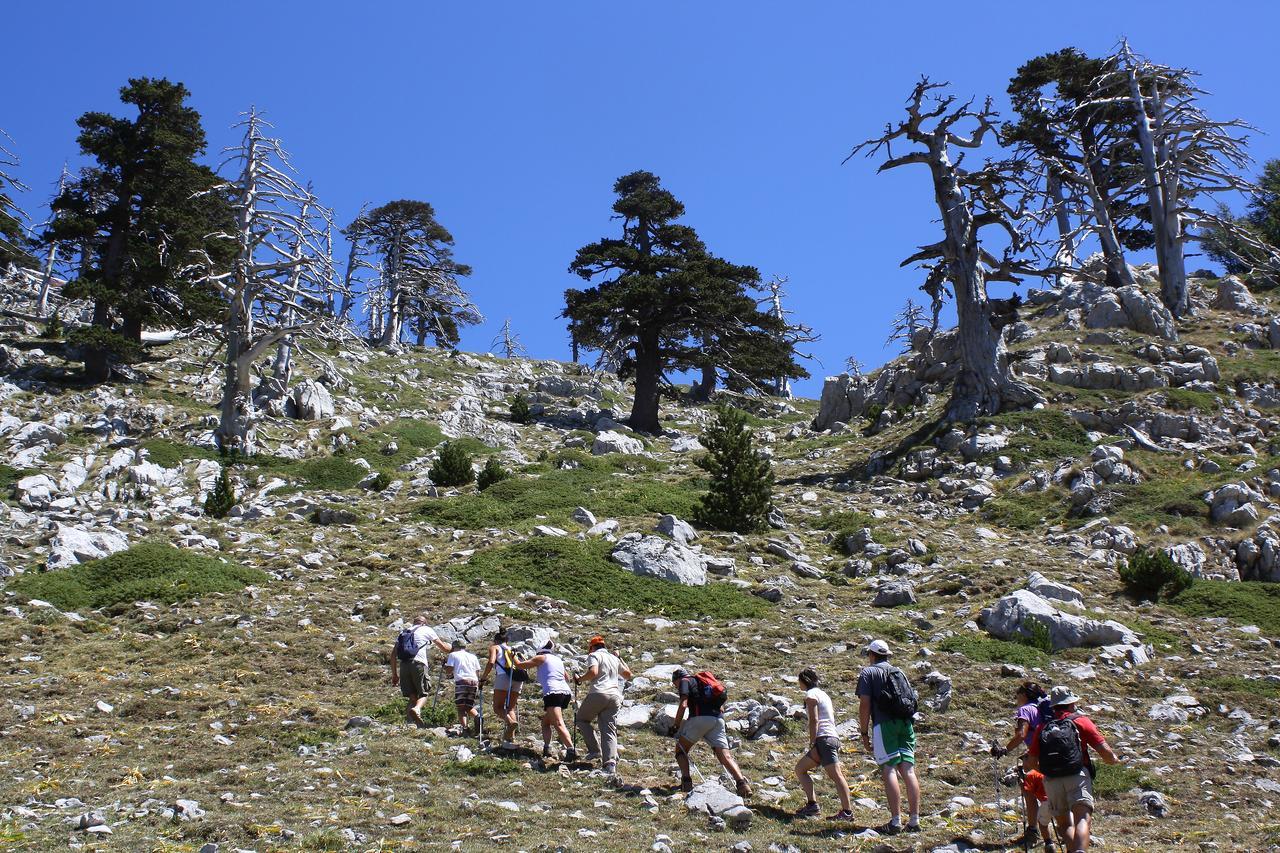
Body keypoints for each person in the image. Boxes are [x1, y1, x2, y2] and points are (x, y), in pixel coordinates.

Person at [1027, 686, 1120, 853]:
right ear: (1071, 704)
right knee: (1082, 819)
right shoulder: (1081, 721)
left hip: (1052, 780)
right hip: (1077, 776)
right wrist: (1113, 760)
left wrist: (1048, 771)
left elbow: (1032, 762)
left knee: (1064, 824)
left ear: (1054, 707)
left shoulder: (1043, 727)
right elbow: (1105, 752)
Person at [856, 639, 921, 835]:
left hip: (884, 725)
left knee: (889, 769)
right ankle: (914, 820)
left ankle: (895, 821)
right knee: (908, 770)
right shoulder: (898, 672)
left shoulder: (868, 672)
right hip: (906, 723)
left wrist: (864, 732)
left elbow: (865, 704)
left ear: (871, 655)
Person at [670, 668, 752, 799]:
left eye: (675, 684)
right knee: (726, 756)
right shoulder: (704, 683)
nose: (676, 687)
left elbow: (684, 704)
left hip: (699, 718)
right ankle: (742, 784)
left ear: (677, 679)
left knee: (680, 749)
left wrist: (675, 725)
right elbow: (721, 706)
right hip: (718, 720)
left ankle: (686, 783)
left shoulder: (685, 681)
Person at [991, 682, 1049, 848]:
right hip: (1050, 754)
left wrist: (1005, 749)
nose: (1016, 696)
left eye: (1018, 693)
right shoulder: (1041, 710)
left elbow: (1022, 734)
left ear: (1025, 695)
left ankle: (1033, 831)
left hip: (1039, 757)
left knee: (1027, 786)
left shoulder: (1025, 710)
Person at [793, 667, 852, 820]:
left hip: (823, 739)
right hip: (831, 738)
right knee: (800, 769)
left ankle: (847, 812)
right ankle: (812, 805)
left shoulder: (811, 696)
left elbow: (814, 720)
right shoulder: (823, 694)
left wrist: (812, 742)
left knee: (837, 776)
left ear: (803, 681)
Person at [572, 635, 631, 776]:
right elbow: (628, 674)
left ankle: (595, 750)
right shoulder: (614, 658)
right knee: (608, 728)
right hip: (615, 696)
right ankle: (610, 764)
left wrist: (579, 679)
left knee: (581, 719)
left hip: (599, 693)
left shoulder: (594, 655)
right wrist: (619, 657)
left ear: (592, 647)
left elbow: (593, 672)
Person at [515, 639, 576, 761]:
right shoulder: (557, 659)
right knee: (546, 722)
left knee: (558, 722)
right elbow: (567, 677)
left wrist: (513, 656)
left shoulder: (542, 658)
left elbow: (520, 665)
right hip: (565, 692)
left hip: (552, 692)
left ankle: (570, 749)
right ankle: (547, 747)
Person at [389, 614, 452, 727]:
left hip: (404, 665)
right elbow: (443, 647)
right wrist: (452, 649)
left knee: (412, 695)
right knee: (424, 693)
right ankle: (417, 709)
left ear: (414, 622)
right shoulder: (426, 629)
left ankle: (413, 724)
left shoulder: (404, 632)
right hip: (418, 664)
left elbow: (393, 654)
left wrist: (394, 674)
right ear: (424, 623)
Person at [480, 629, 525, 749]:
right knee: (510, 708)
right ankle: (511, 737)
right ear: (507, 640)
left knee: (498, 708)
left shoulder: (494, 647)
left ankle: (510, 723)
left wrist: (483, 678)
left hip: (503, 676)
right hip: (517, 678)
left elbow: (491, 662)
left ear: (496, 640)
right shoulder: (512, 650)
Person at [444, 639, 483, 735]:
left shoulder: (453, 655)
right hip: (473, 682)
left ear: (454, 647)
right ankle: (477, 717)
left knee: (461, 707)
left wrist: (444, 666)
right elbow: (477, 671)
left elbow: (449, 671)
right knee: (468, 706)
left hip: (462, 682)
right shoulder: (472, 656)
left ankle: (465, 728)